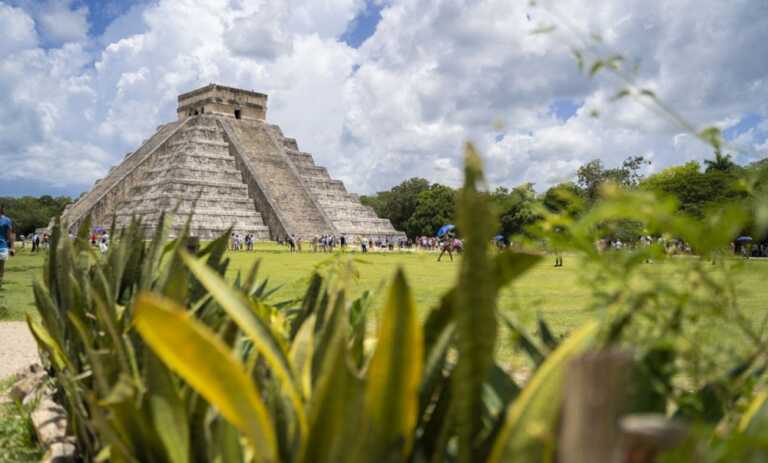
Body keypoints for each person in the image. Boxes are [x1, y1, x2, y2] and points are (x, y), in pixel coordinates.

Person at [0, 205, 14, 288]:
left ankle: (0, 282)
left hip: (2, 246)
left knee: (1, 267)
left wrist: (12, 247)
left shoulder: (7, 220)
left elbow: (10, 235)